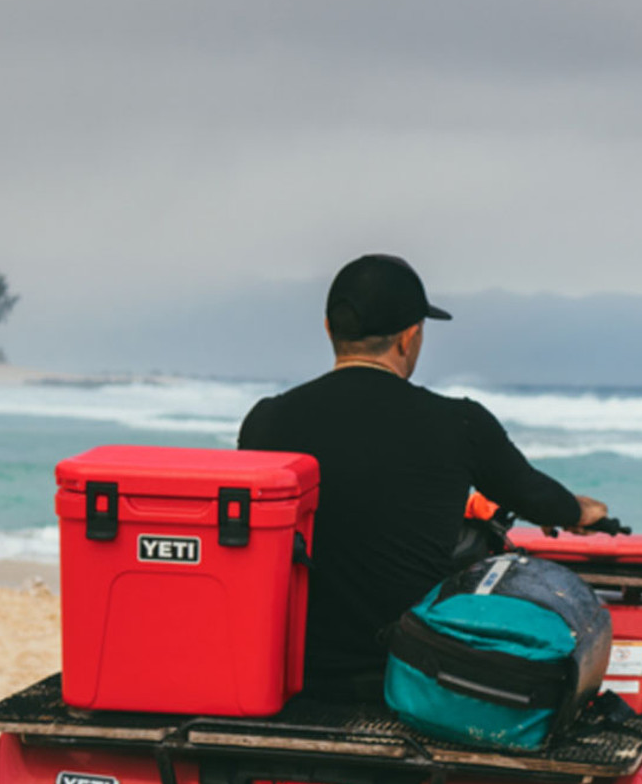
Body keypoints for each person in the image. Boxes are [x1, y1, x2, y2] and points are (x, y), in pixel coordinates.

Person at [238, 254, 608, 699]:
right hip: (409, 677)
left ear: (328, 329)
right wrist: (581, 510)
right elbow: (536, 496)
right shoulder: (460, 424)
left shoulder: (266, 421)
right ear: (408, 338)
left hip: (292, 675)